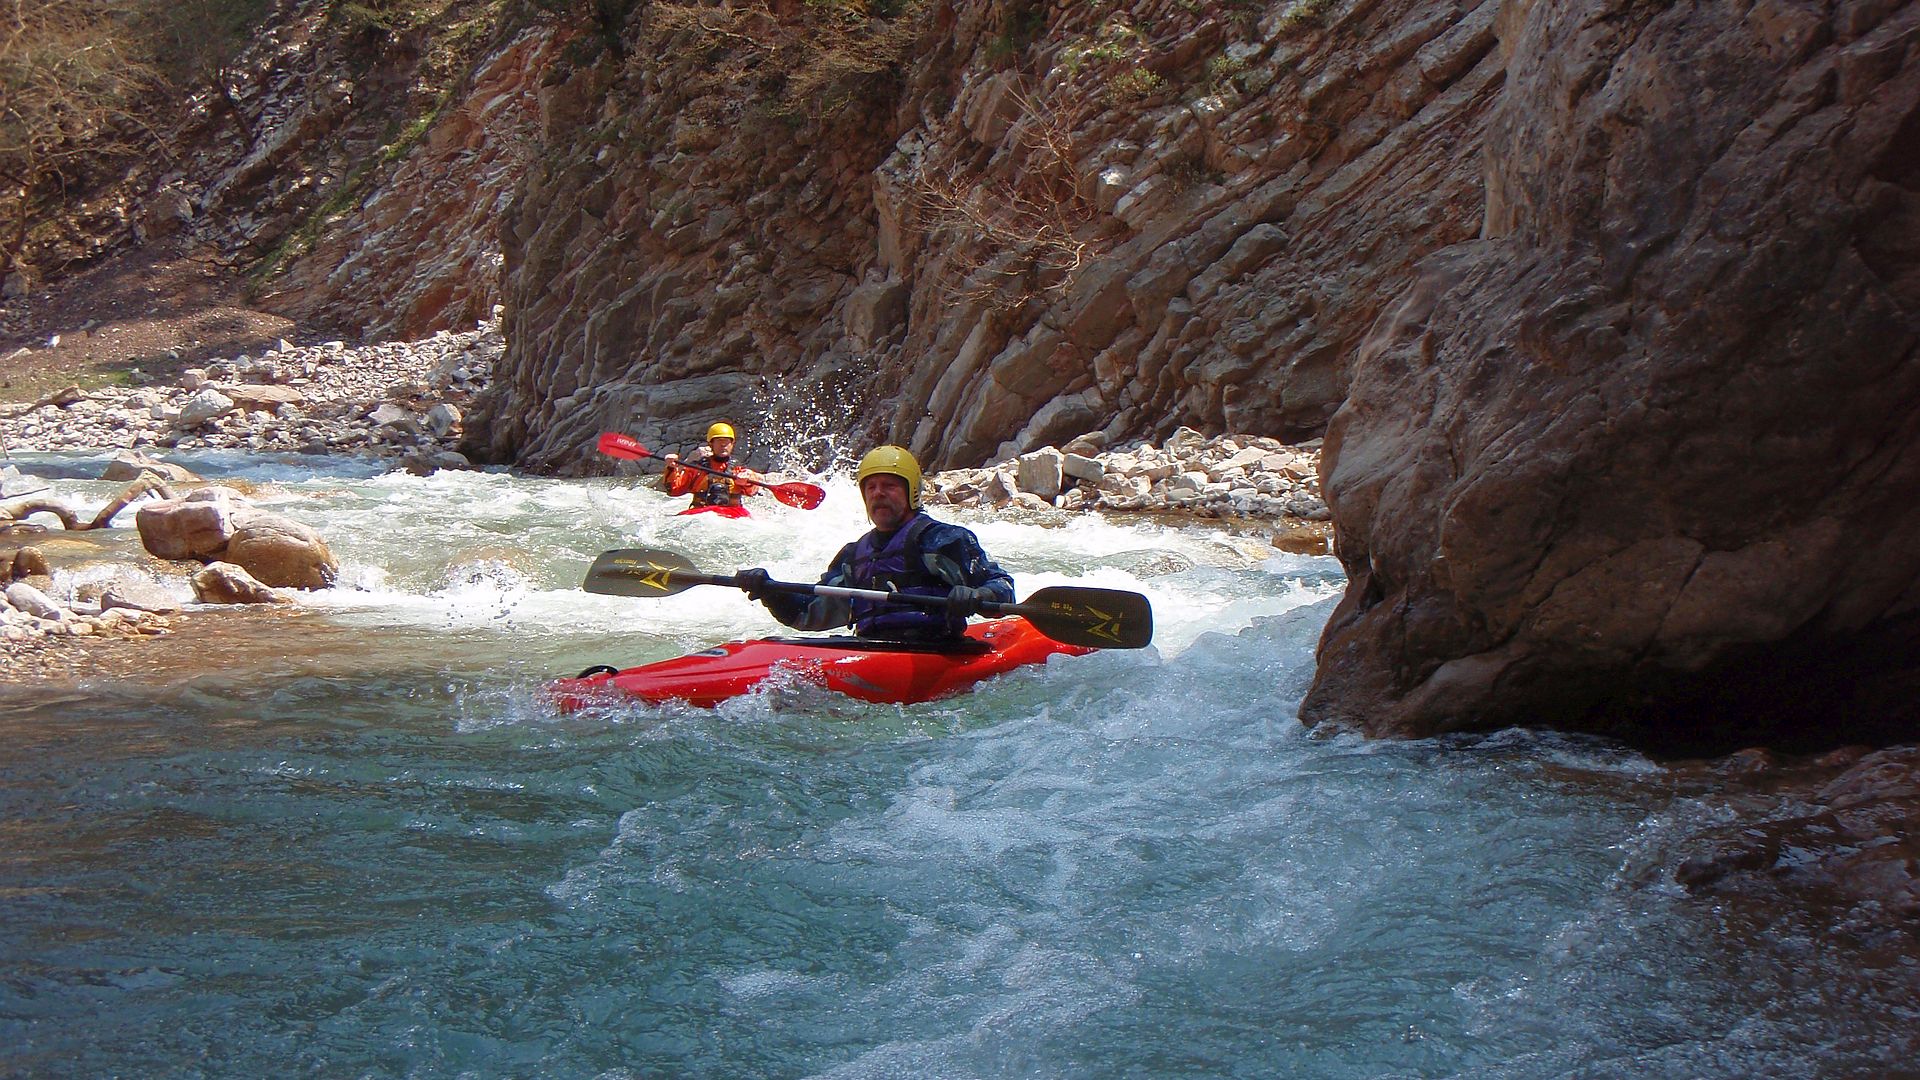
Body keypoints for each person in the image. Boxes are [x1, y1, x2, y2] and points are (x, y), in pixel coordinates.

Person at [737, 445, 1014, 641]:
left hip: (935, 648)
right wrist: (770, 591)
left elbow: (1002, 587)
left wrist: (978, 596)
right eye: (871, 487)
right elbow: (810, 613)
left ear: (911, 491)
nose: (878, 494)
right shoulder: (854, 555)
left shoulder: (941, 541)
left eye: (889, 486)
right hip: (871, 648)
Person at [662, 421, 762, 510]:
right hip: (702, 513)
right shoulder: (696, 469)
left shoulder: (739, 470)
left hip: (732, 514)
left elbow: (753, 491)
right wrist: (671, 467)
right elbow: (673, 490)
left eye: (726, 441)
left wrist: (748, 481)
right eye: (719, 441)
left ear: (732, 444)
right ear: (711, 444)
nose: (723, 445)